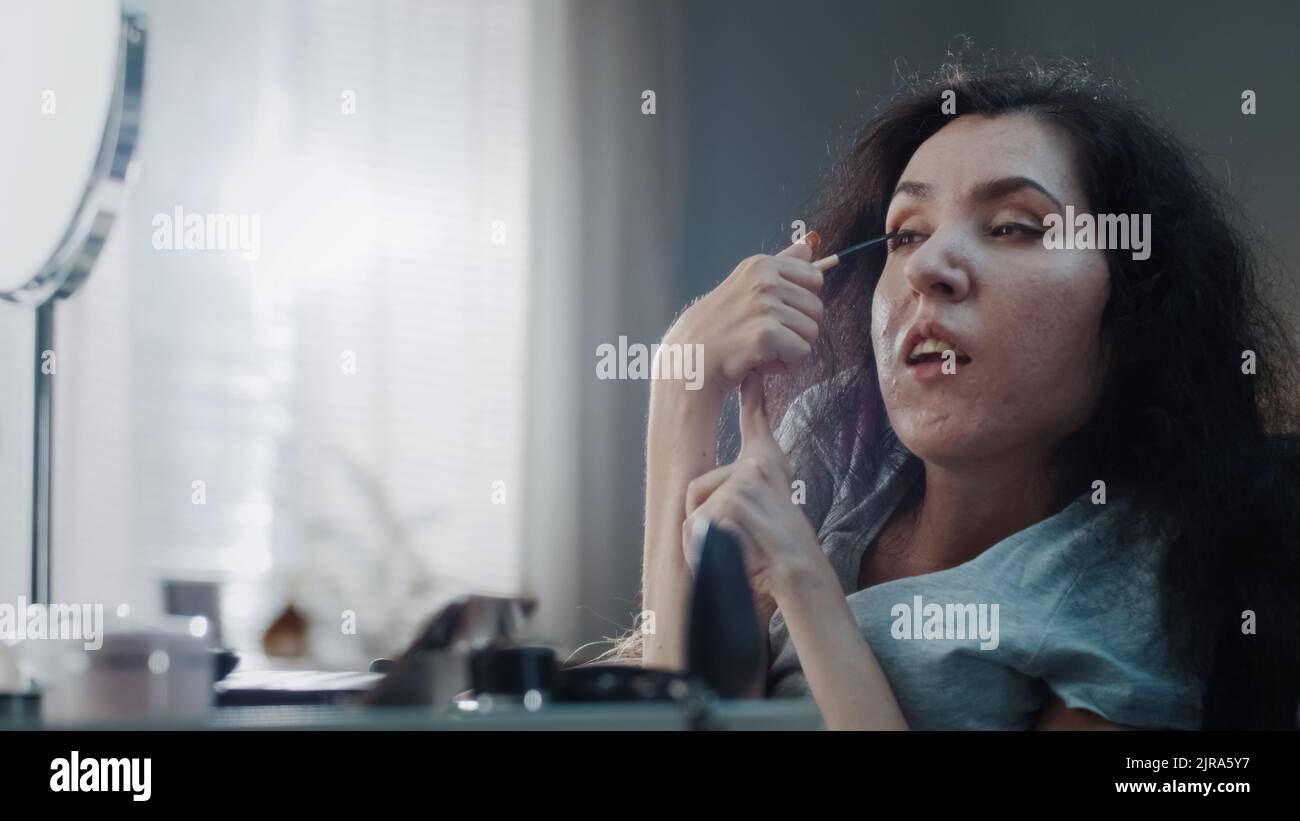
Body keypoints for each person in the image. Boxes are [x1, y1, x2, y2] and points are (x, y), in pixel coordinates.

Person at [604, 57, 1300, 730]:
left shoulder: (1146, 575)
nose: (928, 266)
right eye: (905, 234)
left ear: (1137, 307)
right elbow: (681, 717)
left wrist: (802, 580)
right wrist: (682, 381)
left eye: (1012, 227)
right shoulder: (833, 449)